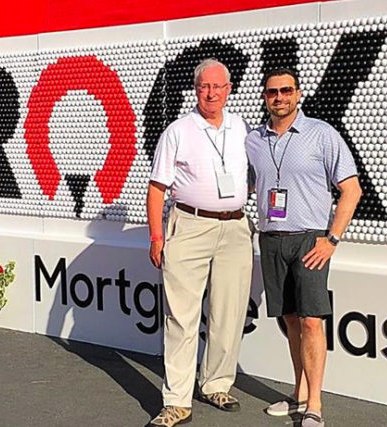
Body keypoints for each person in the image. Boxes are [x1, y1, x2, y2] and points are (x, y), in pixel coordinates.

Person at [245, 67, 362, 427]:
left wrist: (332, 240)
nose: (279, 97)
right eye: (271, 92)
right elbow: (244, 187)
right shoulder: (253, 140)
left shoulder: (322, 134)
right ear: (265, 97)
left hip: (310, 239)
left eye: (286, 91)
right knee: (290, 319)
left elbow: (351, 190)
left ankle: (315, 405)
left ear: (298, 94)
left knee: (312, 321)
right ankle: (297, 394)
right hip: (271, 238)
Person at [145, 58, 254, 427]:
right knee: (181, 317)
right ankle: (177, 401)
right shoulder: (178, 130)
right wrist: (157, 235)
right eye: (204, 86)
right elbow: (157, 188)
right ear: (196, 90)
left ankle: (216, 384)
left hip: (236, 229)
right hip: (189, 226)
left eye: (218, 87)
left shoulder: (242, 128)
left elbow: (253, 175)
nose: (211, 93)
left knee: (229, 311)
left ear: (229, 90)